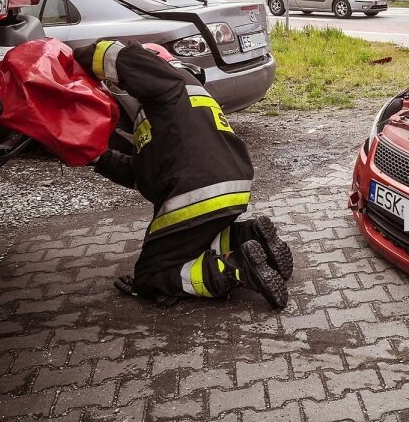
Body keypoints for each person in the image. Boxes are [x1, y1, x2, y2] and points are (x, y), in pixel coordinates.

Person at [73, 40, 293, 308]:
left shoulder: (168, 80)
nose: (121, 88)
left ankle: (235, 270)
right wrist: (97, 158)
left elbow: (122, 56)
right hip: (229, 186)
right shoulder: (174, 108)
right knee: (193, 241)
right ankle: (251, 236)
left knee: (151, 274)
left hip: (198, 191)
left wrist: (74, 59)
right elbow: (144, 175)